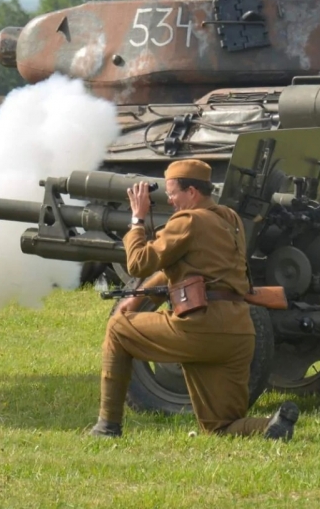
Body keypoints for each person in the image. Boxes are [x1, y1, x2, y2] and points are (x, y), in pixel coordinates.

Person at [90, 158, 299, 440]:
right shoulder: (230, 218)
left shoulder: (187, 221)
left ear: (192, 193)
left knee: (117, 329)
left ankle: (107, 427)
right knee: (219, 426)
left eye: (173, 192)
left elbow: (138, 264)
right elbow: (182, 268)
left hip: (201, 328)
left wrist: (137, 219)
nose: (170, 199)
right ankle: (271, 425)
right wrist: (138, 298)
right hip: (239, 334)